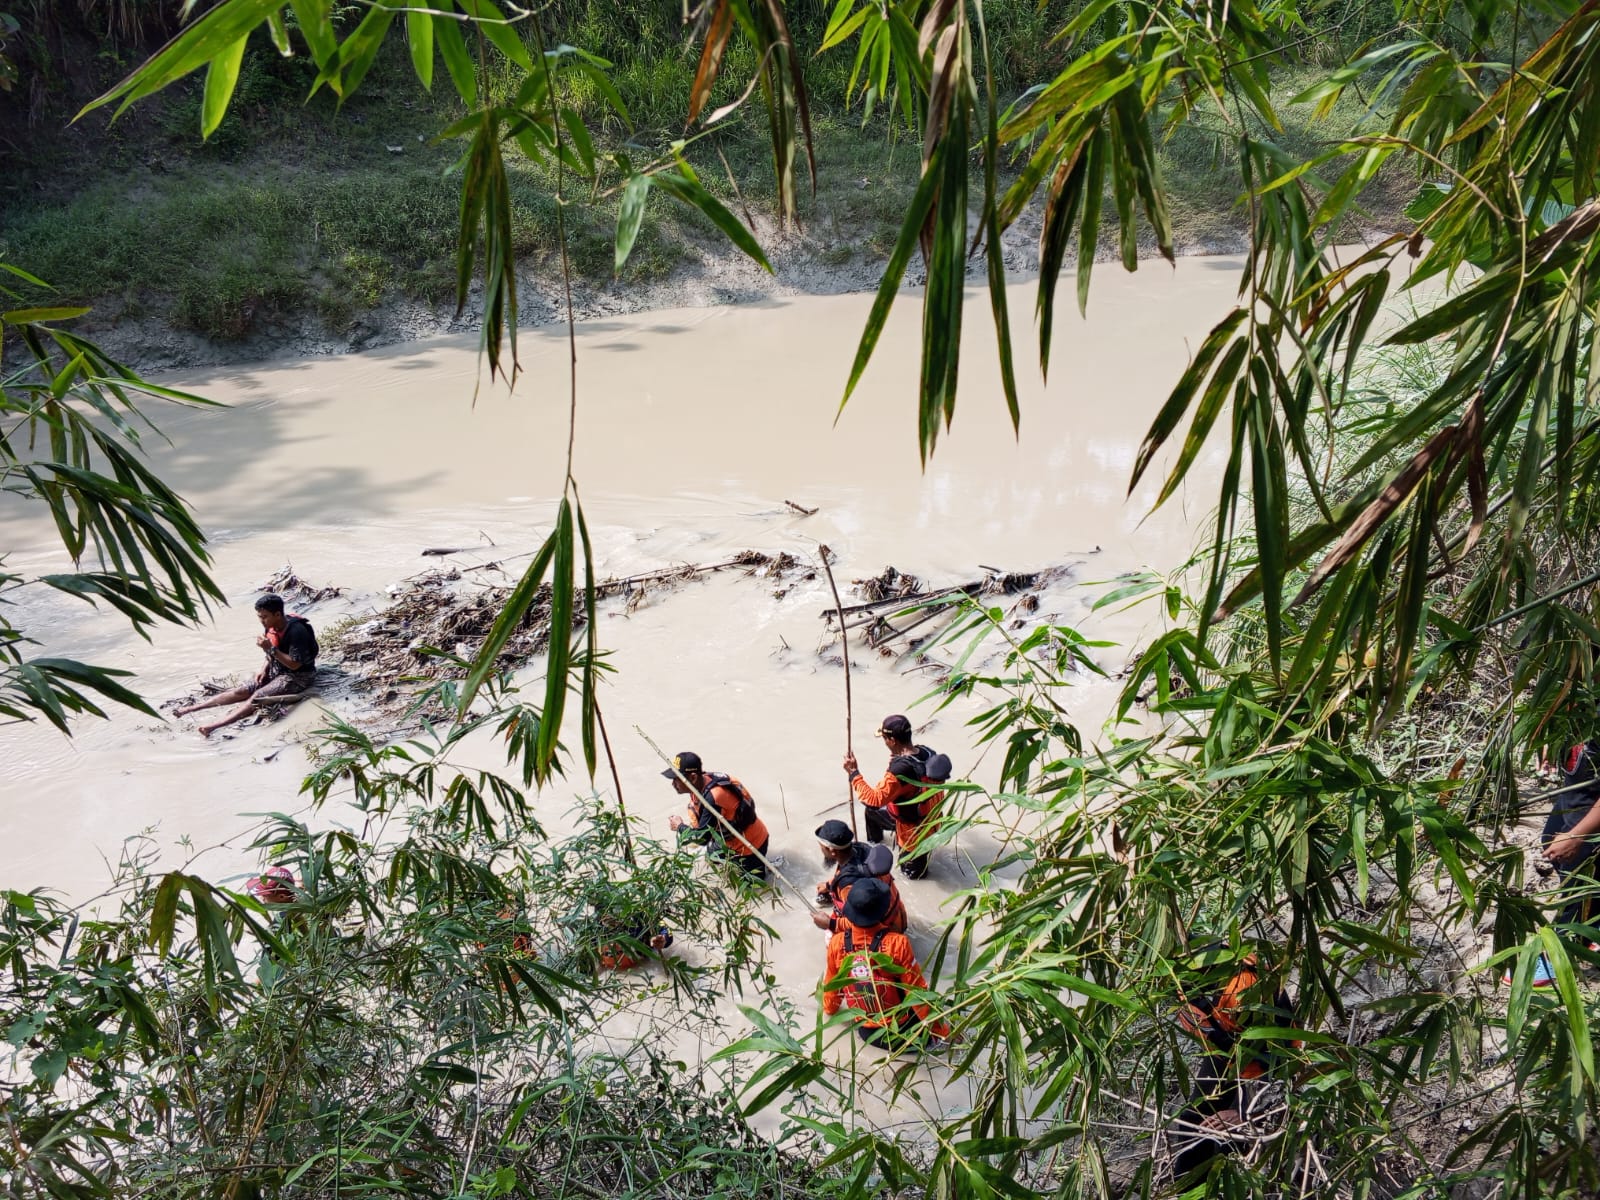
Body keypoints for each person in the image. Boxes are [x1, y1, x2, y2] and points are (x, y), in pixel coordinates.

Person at [1168, 947, 1296, 1180]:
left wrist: (1241, 1111)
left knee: (1230, 1133)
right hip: (1224, 1056)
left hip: (1268, 1063)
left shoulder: (1245, 989)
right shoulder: (1182, 985)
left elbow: (1282, 1056)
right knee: (1193, 1121)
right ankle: (1187, 1191)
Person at [821, 877, 948, 1049]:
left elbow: (831, 993)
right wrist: (945, 1033)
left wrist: (829, 1010)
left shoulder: (837, 944)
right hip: (902, 1032)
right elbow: (918, 995)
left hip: (867, 1033)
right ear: (883, 910)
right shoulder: (897, 944)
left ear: (850, 911)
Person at [174, 594, 319, 737]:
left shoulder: (297, 631)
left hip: (298, 676)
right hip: (278, 669)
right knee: (242, 691)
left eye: (264, 617)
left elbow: (294, 665)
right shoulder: (271, 626)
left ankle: (214, 726)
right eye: (259, 616)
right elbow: (272, 650)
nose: (261, 621)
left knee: (258, 696)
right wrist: (264, 668)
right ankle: (193, 708)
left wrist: (271, 650)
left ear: (278, 614)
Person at [842, 714, 952, 880]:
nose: (884, 742)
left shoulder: (900, 771)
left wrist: (854, 774)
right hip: (930, 819)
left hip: (914, 835)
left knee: (911, 877)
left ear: (892, 740)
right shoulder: (926, 753)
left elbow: (873, 800)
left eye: (885, 738)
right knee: (871, 814)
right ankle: (875, 850)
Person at [1528, 736, 1600, 984]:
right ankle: (1593, 926)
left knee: (1578, 876)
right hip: (1578, 791)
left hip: (1591, 807)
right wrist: (1555, 740)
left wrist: (1577, 835)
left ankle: (1561, 952)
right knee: (1551, 838)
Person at [663, 751, 771, 881]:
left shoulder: (713, 798)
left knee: (754, 889)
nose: (673, 784)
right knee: (711, 858)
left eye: (676, 779)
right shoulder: (703, 782)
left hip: (751, 847)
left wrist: (680, 826)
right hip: (728, 842)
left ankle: (767, 869)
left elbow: (702, 838)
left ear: (692, 777)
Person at [812, 820, 905, 934]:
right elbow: (852, 872)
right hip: (897, 916)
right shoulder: (861, 849)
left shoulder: (848, 885)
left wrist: (830, 923)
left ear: (832, 851)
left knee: (831, 941)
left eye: (822, 846)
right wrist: (828, 885)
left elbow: (861, 921)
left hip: (883, 931)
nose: (820, 849)